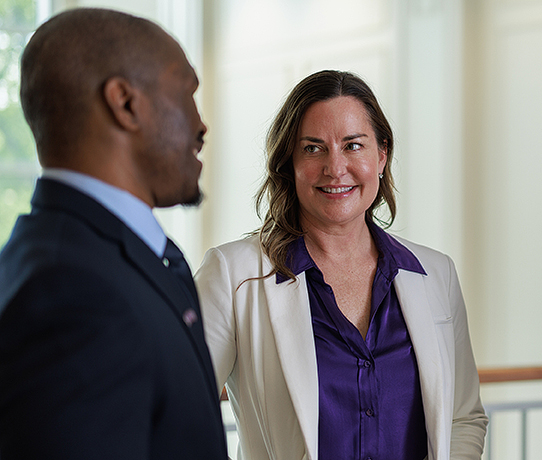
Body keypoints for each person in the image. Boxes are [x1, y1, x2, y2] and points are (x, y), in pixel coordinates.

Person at [195, 70, 487, 460]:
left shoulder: (437, 274)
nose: (335, 168)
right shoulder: (232, 275)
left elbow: (463, 417)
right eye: (313, 149)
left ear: (381, 155)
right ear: (290, 163)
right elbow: (180, 413)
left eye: (353, 146)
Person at [0, 8, 227, 459]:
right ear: (125, 103)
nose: (201, 125)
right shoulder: (69, 293)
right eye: (187, 92)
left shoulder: (104, 255)